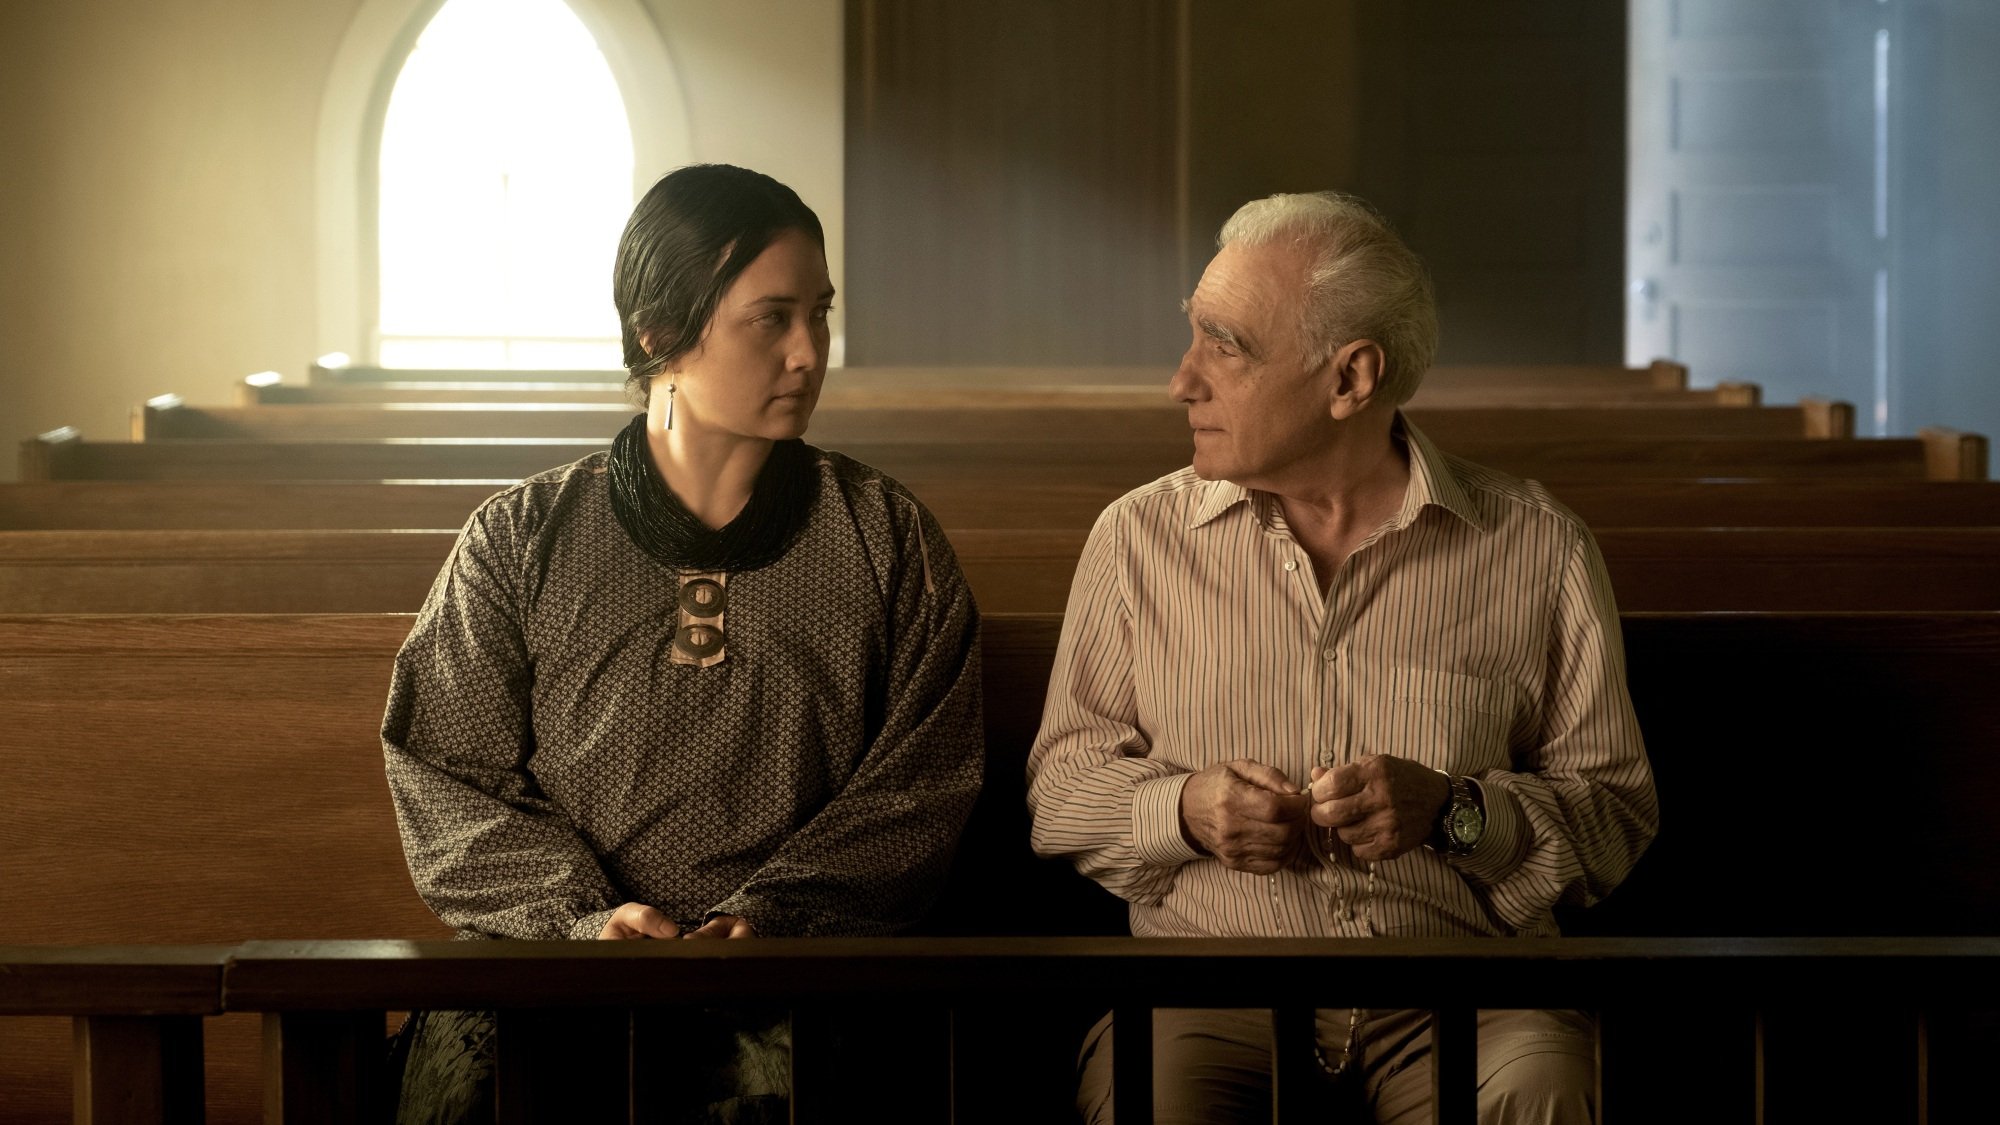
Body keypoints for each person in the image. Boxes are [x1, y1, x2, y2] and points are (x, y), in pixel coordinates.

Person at [1025, 191, 1658, 1124]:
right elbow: (1060, 792)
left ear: (1351, 378)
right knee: (1148, 1099)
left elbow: (1613, 818)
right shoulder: (1137, 540)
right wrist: (1188, 809)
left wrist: (1457, 813)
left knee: (1548, 1083)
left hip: (1464, 995)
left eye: (1225, 345)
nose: (1182, 380)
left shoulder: (1538, 546)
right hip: (1207, 992)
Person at [382, 164, 984, 1124]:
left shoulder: (884, 535)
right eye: (771, 318)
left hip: (804, 973)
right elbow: (445, 771)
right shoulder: (520, 536)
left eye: (819, 314)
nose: (808, 352)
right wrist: (584, 923)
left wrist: (771, 917)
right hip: (559, 969)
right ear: (660, 331)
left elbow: (924, 778)